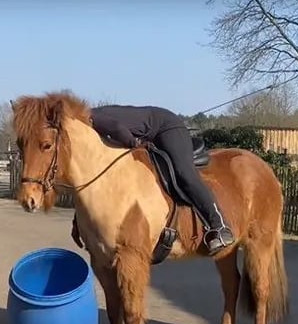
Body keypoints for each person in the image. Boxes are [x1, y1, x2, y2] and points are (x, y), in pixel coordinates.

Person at [78, 104, 236, 255]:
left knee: (184, 172)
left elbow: (118, 129)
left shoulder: (93, 118)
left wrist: (135, 143)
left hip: (167, 127)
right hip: (152, 134)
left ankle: (220, 226)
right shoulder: (88, 126)